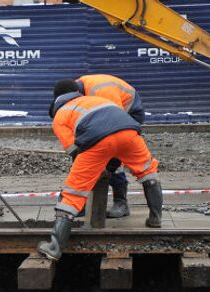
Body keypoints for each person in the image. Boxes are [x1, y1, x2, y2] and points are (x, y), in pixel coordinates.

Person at [38, 79, 163, 261]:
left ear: (56, 102)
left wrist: (89, 172)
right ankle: (155, 219)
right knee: (148, 173)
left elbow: (75, 150)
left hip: (98, 141)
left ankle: (55, 247)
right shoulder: (96, 100)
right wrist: (109, 167)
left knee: (73, 192)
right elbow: (116, 134)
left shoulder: (60, 116)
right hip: (130, 132)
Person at [75, 74, 146, 218]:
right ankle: (81, 204)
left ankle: (121, 203)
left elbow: (114, 121)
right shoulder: (80, 92)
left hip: (127, 115)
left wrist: (109, 166)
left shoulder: (102, 92)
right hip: (109, 115)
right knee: (89, 156)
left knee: (112, 152)